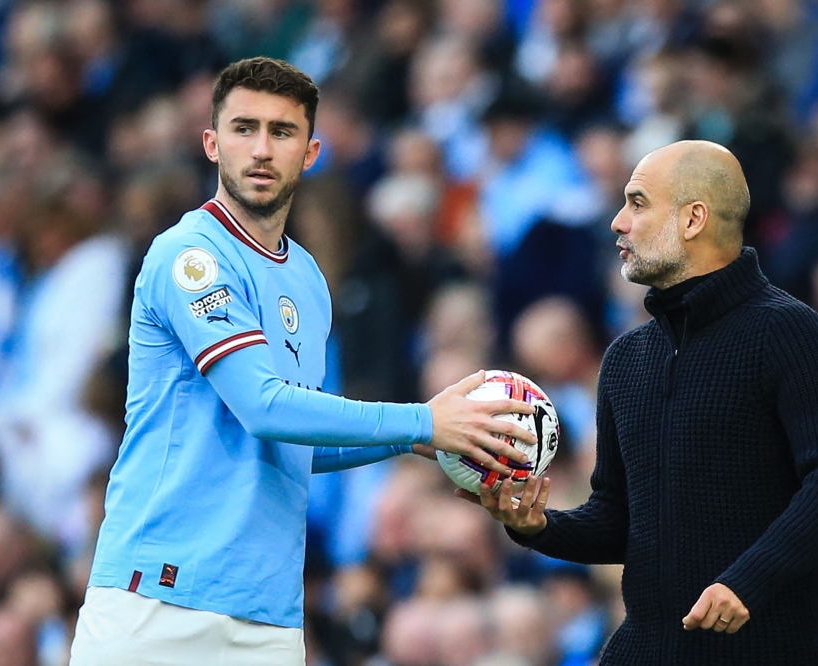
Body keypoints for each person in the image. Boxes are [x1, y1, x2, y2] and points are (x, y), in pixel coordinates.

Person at [68, 57, 536, 666]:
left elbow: (297, 442)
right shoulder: (189, 255)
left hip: (268, 613)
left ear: (311, 151)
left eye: (282, 132)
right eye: (244, 128)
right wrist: (422, 421)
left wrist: (422, 442)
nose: (261, 149)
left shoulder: (310, 281)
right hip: (160, 596)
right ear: (212, 144)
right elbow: (263, 406)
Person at [464, 140, 818, 664]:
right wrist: (540, 526)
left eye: (637, 203)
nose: (617, 222)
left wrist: (746, 582)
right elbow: (618, 520)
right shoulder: (626, 358)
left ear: (693, 218)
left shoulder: (787, 330)